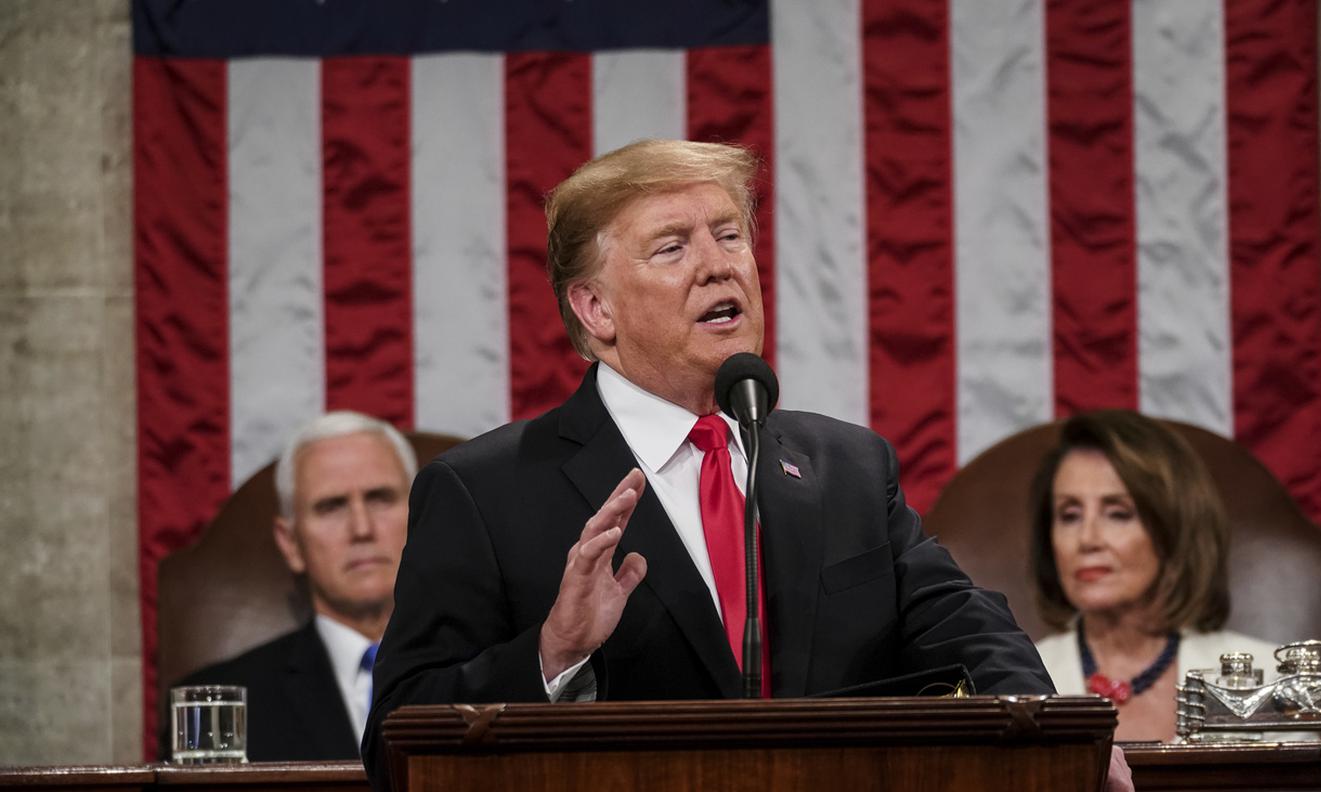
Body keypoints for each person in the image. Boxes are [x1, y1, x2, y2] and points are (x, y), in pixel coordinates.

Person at [362, 139, 1130, 791]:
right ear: (596, 310)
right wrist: (550, 655)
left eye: (729, 236)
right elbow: (396, 745)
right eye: (673, 248)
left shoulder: (847, 467)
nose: (718, 266)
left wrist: (1056, 743)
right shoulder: (486, 491)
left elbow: (964, 628)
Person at [176, 411, 415, 761]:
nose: (362, 528)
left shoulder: (491, 674)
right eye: (331, 507)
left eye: (380, 498)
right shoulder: (219, 708)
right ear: (290, 543)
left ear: (421, 517)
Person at [1029, 409, 1279, 742]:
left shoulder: (1272, 683)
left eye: (1118, 513)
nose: (1087, 539)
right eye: (1070, 515)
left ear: (1174, 529)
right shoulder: (1013, 687)